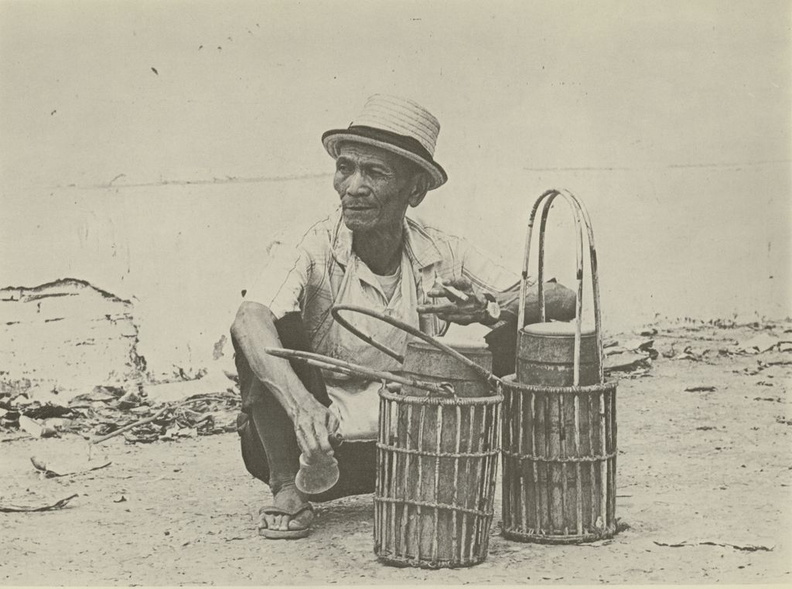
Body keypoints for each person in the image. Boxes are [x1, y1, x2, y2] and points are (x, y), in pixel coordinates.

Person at [231, 94, 575, 539]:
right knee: (265, 327)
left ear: (415, 191)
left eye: (374, 173)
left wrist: (490, 309)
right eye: (345, 168)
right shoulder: (309, 243)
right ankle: (285, 489)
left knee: (518, 331)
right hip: (314, 446)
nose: (353, 187)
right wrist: (304, 410)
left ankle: (466, 473)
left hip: (412, 438)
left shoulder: (441, 249)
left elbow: (561, 298)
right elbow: (248, 318)